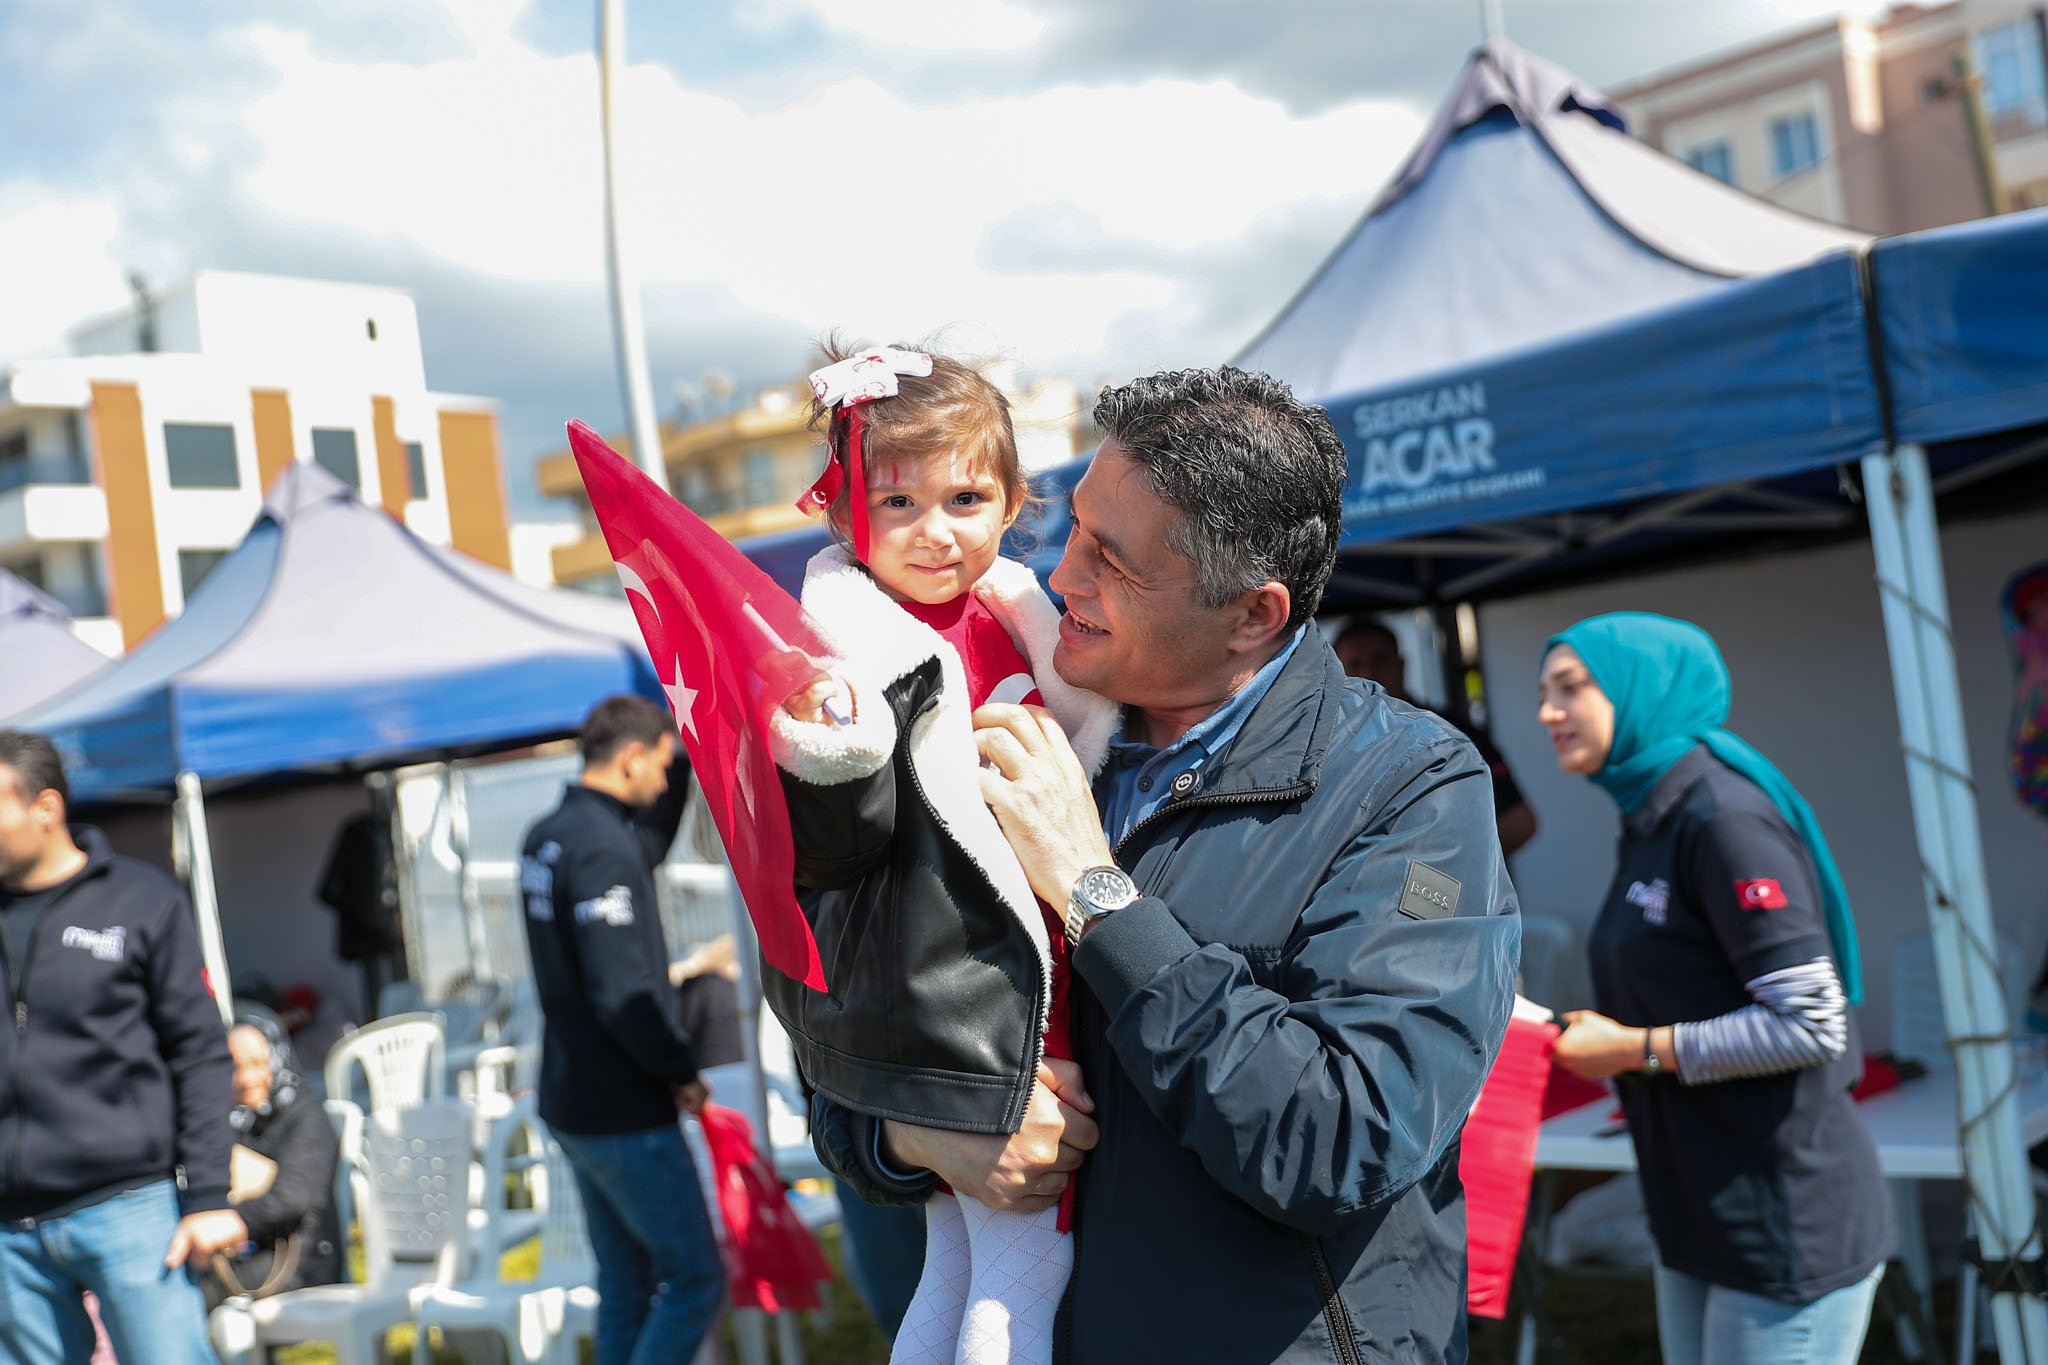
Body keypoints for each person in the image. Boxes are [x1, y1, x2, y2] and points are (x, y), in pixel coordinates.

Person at [807, 366, 1521, 1364]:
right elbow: (852, 1039)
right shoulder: (1009, 735)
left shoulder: (1410, 787)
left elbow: (1342, 1136)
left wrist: (1096, 895)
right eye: (1072, 531)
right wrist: (920, 1138)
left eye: (1113, 559)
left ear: (1251, 616)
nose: (1060, 576)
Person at [769, 342, 1118, 1364]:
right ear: (842, 515)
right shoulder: (842, 659)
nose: (934, 532)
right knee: (1026, 1270)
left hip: (1007, 966)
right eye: (897, 505)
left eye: (965, 498)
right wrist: (824, 742)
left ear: (1015, 503)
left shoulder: (1021, 621)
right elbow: (827, 846)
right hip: (983, 990)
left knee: (957, 1266)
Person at [1539, 613, 1893, 1365]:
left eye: (1570, 689)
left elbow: (1809, 1023)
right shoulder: (1650, 811)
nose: (1547, 712)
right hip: (1699, 1211)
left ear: (1642, 691)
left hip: (1780, 1219)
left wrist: (1636, 1048)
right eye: (1544, 691)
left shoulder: (1721, 817)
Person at [0, 729, 241, 1365]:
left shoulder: (140, 901)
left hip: (130, 1208)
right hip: (7, 1234)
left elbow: (200, 1052)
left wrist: (210, 1197)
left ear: (44, 808)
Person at [518, 696, 724, 1365]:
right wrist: (680, 1071)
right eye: (664, 766)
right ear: (632, 758)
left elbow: (648, 844)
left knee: (626, 1283)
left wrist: (688, 732)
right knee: (695, 1279)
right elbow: (623, 993)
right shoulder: (603, 849)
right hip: (620, 1104)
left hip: (572, 1095)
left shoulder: (549, 834)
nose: (669, 783)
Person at [1334, 618, 1538, 855]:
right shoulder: (1331, 751)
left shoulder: (1452, 734)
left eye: (1380, 660)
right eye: (1355, 664)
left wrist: (1440, 864)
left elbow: (1519, 823)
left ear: (1401, 665)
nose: (1369, 674)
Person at [204, 1018, 342, 1307]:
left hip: (304, 1259)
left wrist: (221, 1223)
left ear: (277, 1058)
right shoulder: (233, 1120)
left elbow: (288, 1201)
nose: (246, 1079)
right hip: (251, 1252)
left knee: (194, 1293)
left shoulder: (305, 1116)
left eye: (257, 1064)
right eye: (235, 1067)